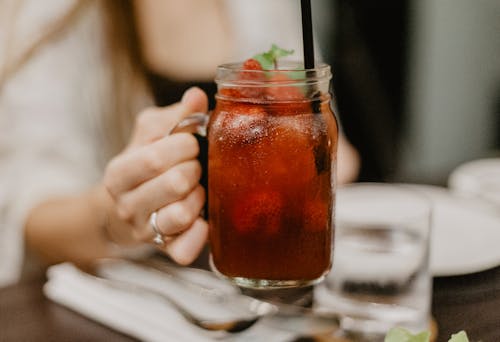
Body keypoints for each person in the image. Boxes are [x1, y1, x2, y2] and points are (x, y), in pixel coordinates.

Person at [0, 0, 360, 287]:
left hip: (274, 295)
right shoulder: (54, 13)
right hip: (125, 301)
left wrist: (321, 164)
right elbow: (28, 215)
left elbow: (315, 106)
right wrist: (114, 218)